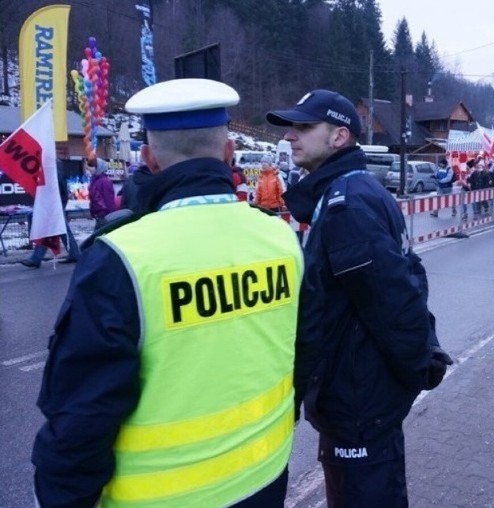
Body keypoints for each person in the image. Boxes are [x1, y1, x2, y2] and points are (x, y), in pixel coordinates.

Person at [32, 78, 304, 507]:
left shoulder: (121, 256)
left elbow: (80, 417)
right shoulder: (282, 241)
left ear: (149, 160)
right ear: (230, 154)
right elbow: (299, 357)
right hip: (264, 476)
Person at [267, 89, 452, 507]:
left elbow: (395, 302)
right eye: (290, 127)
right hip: (357, 398)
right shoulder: (350, 192)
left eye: (304, 127)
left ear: (339, 137)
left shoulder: (346, 207)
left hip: (358, 404)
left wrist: (414, 369)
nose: (291, 137)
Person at [20, 160, 80, 267]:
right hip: (55, 201)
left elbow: (57, 184)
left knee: (50, 229)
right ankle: (74, 254)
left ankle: (36, 258)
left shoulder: (53, 164)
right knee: (59, 229)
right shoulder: (52, 163)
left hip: (55, 201)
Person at [86, 157, 117, 229]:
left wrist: (111, 217)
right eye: (89, 166)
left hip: (104, 216)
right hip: (99, 215)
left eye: (92, 166)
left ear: (99, 167)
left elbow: (109, 201)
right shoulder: (95, 180)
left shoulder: (105, 181)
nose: (89, 168)